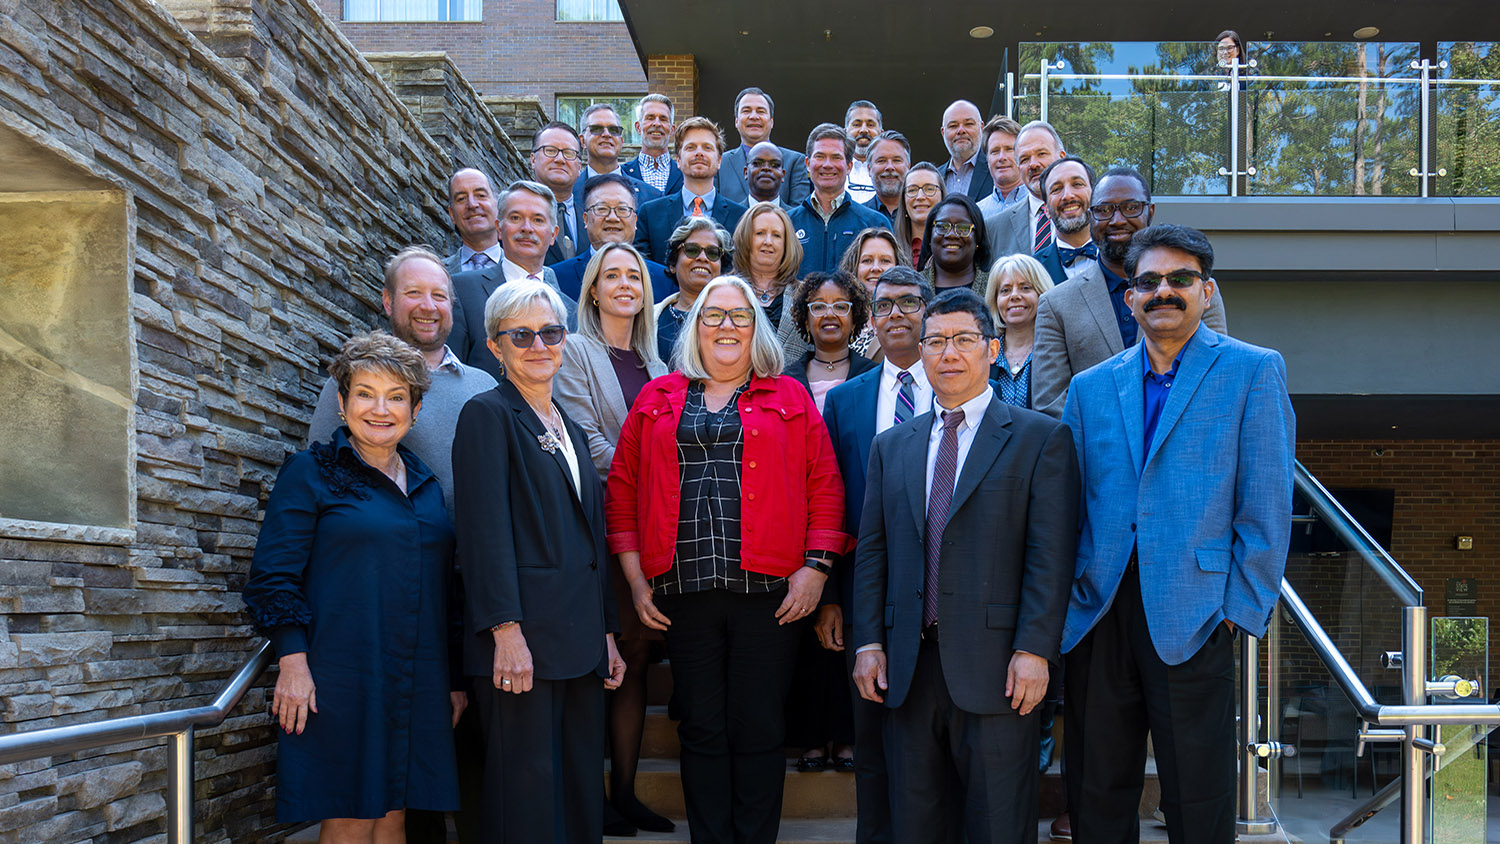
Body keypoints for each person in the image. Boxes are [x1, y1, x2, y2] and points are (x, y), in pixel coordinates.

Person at [1060, 224, 1294, 844]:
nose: (1164, 291)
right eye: (1148, 282)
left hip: (1197, 614)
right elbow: (1070, 504)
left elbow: (1267, 503)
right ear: (1129, 298)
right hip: (1099, 607)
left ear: (1207, 291)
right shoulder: (1089, 389)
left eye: (1180, 279)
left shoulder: (1253, 371)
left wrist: (1239, 610)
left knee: (1198, 791)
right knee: (1096, 787)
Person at [605, 275, 848, 844]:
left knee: (759, 726)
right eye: (713, 316)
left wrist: (815, 568)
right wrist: (637, 581)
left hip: (769, 593)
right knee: (702, 727)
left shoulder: (789, 395)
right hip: (682, 593)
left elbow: (826, 485)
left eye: (739, 316)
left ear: (756, 328)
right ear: (695, 326)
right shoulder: (656, 397)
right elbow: (621, 491)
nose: (726, 327)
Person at [852, 287, 1080, 844]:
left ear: (993, 350)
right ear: (920, 351)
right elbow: (874, 551)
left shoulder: (1040, 438)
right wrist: (868, 643)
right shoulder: (892, 445)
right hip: (907, 668)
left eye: (963, 340)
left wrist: (1034, 651)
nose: (947, 353)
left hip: (999, 670)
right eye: (935, 341)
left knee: (998, 826)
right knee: (915, 825)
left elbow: (1050, 558)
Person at [244, 331, 459, 836]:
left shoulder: (428, 485)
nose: (380, 409)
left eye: (396, 396)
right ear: (342, 404)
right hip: (341, 674)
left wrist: (451, 681)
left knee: (394, 820)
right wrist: (293, 662)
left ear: (416, 408)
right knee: (350, 822)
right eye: (365, 393)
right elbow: (272, 578)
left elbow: (445, 588)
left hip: (418, 677)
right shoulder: (310, 472)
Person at [451, 279, 625, 843]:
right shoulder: (487, 414)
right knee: (524, 797)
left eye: (549, 332)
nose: (538, 344)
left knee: (577, 790)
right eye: (520, 335)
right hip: (519, 642)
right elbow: (483, 532)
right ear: (495, 346)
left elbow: (590, 541)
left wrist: (606, 633)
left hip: (577, 641)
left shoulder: (571, 427)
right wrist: (505, 630)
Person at [552, 242, 674, 837]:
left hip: (651, 535)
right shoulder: (574, 351)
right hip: (602, 528)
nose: (625, 283)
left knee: (640, 657)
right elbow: (587, 443)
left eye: (635, 275)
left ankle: (625, 794)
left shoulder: (659, 362)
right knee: (603, 663)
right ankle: (589, 796)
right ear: (593, 289)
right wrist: (653, 481)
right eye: (612, 275)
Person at [819, 266, 936, 844]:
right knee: (872, 734)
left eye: (909, 303)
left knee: (934, 736)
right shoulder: (845, 401)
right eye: (884, 304)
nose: (896, 314)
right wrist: (832, 596)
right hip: (866, 589)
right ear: (871, 317)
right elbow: (830, 505)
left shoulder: (957, 386)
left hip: (943, 594)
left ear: (928, 313)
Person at [1031, 166, 1228, 419]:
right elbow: (1051, 402)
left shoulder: (1193, 290)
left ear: (1151, 211)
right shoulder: (1056, 304)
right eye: (1104, 210)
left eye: (1131, 207)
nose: (1117, 220)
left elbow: (1213, 376)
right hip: (1095, 453)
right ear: (1091, 217)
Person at [448, 179, 575, 381]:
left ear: (553, 234)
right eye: (516, 218)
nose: (526, 228)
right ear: (499, 229)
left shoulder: (571, 309)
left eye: (538, 220)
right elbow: (451, 371)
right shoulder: (462, 289)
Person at [635, 116, 748, 265]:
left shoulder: (741, 217)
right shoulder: (650, 214)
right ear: (678, 160)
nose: (699, 153)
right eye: (691, 147)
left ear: (719, 161)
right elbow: (644, 269)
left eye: (707, 147)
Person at [787, 123, 890, 277]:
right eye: (820, 156)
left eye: (836, 157)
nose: (827, 165)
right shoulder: (787, 223)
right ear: (808, 164)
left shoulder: (874, 223)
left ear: (849, 166)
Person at [551, 172, 673, 302]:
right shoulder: (557, 278)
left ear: (635, 220)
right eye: (602, 209)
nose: (613, 218)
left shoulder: (664, 281)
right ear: (585, 220)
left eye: (622, 209)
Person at [781, 270, 877, 412]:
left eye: (840, 307)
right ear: (806, 321)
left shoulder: (873, 375)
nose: (830, 314)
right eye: (819, 307)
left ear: (854, 321)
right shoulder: (786, 380)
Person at [984, 121, 1068, 260]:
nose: (1033, 164)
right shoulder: (996, 227)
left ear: (1062, 157)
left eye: (1041, 154)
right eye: (1024, 159)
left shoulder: (1089, 215)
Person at [718, 86, 811, 206]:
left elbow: (799, 214)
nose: (754, 116)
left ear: (771, 121)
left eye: (761, 111)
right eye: (746, 111)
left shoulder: (795, 162)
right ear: (736, 121)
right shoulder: (720, 163)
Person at [984, 253, 1054, 410]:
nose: (1014, 296)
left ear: (1043, 294)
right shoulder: (983, 354)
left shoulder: (1057, 352)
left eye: (1025, 288)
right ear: (995, 301)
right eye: (1005, 290)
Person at [656, 216, 732, 360]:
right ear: (673, 264)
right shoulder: (649, 319)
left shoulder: (736, 318)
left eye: (712, 252)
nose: (703, 258)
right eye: (692, 250)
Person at [731, 201, 804, 347]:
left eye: (776, 235)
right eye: (760, 233)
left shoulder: (805, 295)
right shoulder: (725, 290)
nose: (768, 241)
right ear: (745, 239)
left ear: (786, 244)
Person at [837, 228, 910, 358]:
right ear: (854, 266)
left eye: (885, 261)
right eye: (867, 261)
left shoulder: (908, 316)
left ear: (898, 266)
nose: (876, 268)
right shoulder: (838, 314)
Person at [1032, 156, 1098, 285]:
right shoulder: (1033, 270)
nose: (1067, 195)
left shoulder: (1124, 258)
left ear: (1095, 196)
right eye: (1056, 189)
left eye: (1077, 184)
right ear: (1046, 209)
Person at [529, 121, 588, 265]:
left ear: (579, 166)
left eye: (569, 153)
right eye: (550, 150)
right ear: (532, 160)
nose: (560, 159)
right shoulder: (513, 215)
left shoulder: (592, 219)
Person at [918, 194, 991, 296]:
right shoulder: (914, 287)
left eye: (963, 228)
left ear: (977, 238)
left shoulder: (994, 285)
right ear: (930, 235)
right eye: (942, 226)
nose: (951, 234)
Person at [443, 168, 501, 275]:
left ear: (498, 205)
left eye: (481, 195)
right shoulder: (438, 272)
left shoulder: (524, 268)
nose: (472, 204)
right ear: (452, 215)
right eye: (461, 199)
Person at [623, 93, 683, 194]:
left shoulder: (685, 174)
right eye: (650, 118)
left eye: (663, 119)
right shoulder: (622, 174)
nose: (657, 124)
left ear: (672, 130)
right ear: (638, 127)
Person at [935, 100, 990, 202]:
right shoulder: (934, 177)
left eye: (968, 124)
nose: (961, 130)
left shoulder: (995, 171)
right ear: (943, 132)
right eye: (953, 126)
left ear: (981, 128)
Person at [895, 163, 943, 266]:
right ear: (903, 200)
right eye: (912, 190)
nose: (920, 197)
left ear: (943, 196)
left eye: (929, 189)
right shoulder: (890, 248)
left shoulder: (954, 248)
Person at [976, 116, 1025, 217]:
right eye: (995, 151)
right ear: (987, 158)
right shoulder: (977, 213)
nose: (1002, 157)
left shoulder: (1040, 206)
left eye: (1009, 149)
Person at [864, 130, 912, 220]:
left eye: (897, 160)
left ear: (908, 167)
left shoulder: (924, 215)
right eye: (881, 161)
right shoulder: (858, 217)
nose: (890, 167)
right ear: (869, 169)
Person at [844, 100, 883, 204]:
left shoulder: (891, 170)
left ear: (881, 133)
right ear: (845, 132)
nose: (864, 130)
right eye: (857, 124)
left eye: (870, 125)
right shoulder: (834, 169)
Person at [744, 141, 787, 206]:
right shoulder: (731, 215)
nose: (766, 168)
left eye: (774, 165)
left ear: (783, 175)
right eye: (757, 163)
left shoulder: (794, 216)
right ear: (746, 172)